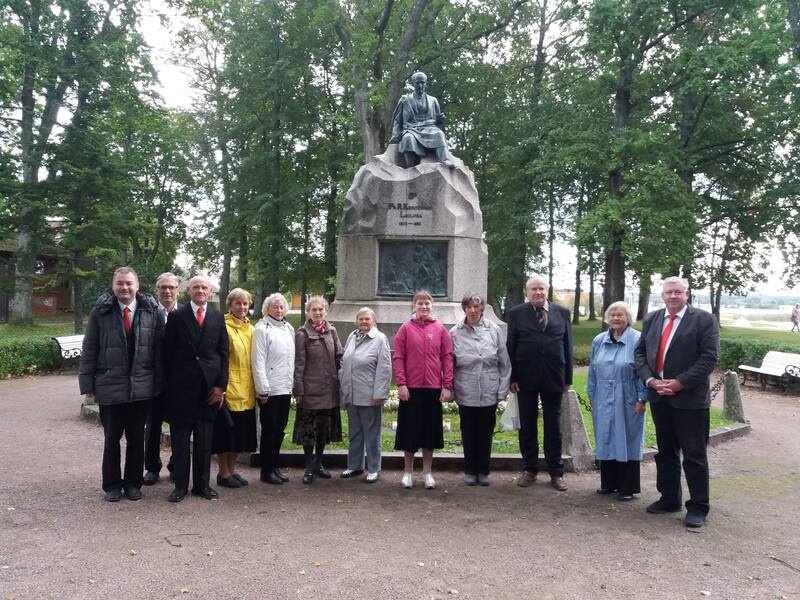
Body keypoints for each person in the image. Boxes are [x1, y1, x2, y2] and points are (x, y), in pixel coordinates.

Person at [635, 276, 720, 529]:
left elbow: (709, 358)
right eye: (668, 292)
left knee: (694, 454)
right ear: (662, 295)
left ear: (687, 294)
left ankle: (698, 507)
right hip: (659, 396)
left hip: (690, 399)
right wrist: (650, 380)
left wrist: (680, 383)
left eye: (677, 292)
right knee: (666, 452)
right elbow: (640, 353)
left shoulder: (704, 320)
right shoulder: (652, 319)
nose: (672, 296)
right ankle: (669, 498)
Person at [79, 267, 163, 502]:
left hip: (142, 387)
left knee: (137, 439)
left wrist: (159, 382)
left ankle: (133, 484)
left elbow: (159, 351)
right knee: (111, 439)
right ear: (113, 285)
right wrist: (87, 382)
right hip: (110, 385)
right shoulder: (101, 311)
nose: (124, 288)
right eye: (120, 283)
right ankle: (112, 485)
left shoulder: (152, 311)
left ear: (137, 286)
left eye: (128, 283)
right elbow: (90, 347)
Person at [162, 275, 229, 503]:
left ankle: (202, 485)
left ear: (210, 292)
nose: (200, 291)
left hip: (209, 390)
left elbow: (223, 354)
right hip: (182, 389)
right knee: (180, 441)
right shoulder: (176, 317)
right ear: (188, 291)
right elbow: (167, 354)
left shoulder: (217, 318)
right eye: (196, 287)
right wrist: (169, 387)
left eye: (204, 287)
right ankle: (180, 486)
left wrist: (220, 386)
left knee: (204, 441)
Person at [506, 275, 573, 491]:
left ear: (547, 290)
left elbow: (567, 346)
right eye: (534, 289)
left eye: (541, 289)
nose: (538, 292)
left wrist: (568, 378)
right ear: (528, 292)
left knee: (553, 426)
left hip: (554, 377)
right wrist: (512, 377)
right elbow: (511, 346)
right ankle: (529, 469)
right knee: (527, 425)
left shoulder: (562, 313)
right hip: (525, 378)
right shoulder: (517, 313)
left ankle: (556, 472)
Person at [393, 290, 453, 489]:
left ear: (432, 305)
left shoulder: (440, 329)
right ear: (414, 306)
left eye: (427, 303)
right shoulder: (405, 329)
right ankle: (408, 473)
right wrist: (401, 383)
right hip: (411, 389)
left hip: (433, 389)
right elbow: (399, 357)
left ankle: (427, 473)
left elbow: (447, 357)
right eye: (420, 303)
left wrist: (447, 386)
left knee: (430, 433)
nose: (424, 307)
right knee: (410, 433)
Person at [587, 301, 647, 501]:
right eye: (612, 315)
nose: (616, 318)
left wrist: (642, 397)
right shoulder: (599, 340)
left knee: (627, 437)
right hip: (603, 395)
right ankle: (608, 484)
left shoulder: (637, 339)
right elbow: (593, 370)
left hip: (627, 393)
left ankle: (627, 487)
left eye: (620, 315)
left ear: (628, 317)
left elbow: (642, 372)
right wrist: (591, 392)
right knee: (605, 436)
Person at [450, 294, 511, 486]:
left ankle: (483, 470)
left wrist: (502, 389)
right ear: (464, 309)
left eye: (477, 306)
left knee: (485, 431)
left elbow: (504, 362)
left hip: (489, 388)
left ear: (482, 308)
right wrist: (450, 389)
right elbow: (449, 363)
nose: (473, 310)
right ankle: (470, 469)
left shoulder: (493, 330)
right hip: (465, 388)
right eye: (469, 307)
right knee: (468, 431)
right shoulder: (455, 332)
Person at [292, 295, 343, 484]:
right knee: (308, 433)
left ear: (325, 311)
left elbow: (339, 355)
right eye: (314, 310)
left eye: (320, 309)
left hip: (329, 390)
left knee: (323, 431)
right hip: (310, 391)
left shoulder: (332, 331)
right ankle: (308, 466)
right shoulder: (302, 334)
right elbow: (299, 363)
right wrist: (298, 390)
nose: (317, 313)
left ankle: (318, 463)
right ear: (308, 312)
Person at [339, 307, 392, 483]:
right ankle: (355, 465)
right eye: (360, 319)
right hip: (352, 394)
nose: (363, 322)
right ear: (356, 321)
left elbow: (384, 370)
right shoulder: (352, 337)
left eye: (367, 319)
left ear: (373, 321)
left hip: (370, 395)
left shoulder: (380, 339)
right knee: (354, 432)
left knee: (371, 433)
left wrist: (380, 394)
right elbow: (344, 362)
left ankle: (374, 468)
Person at [211, 288, 257, 488]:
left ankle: (233, 470)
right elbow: (220, 358)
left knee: (239, 433)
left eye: (245, 303)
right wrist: (220, 386)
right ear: (230, 305)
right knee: (226, 433)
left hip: (247, 388)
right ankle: (223, 472)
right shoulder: (223, 326)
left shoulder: (251, 328)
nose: (242, 307)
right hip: (229, 387)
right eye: (238, 303)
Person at [251, 293, 295, 485]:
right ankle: (266, 469)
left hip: (285, 387)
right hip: (269, 389)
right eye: (275, 307)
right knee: (269, 430)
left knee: (279, 429)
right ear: (267, 309)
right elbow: (258, 361)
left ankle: (274, 466)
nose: (279, 310)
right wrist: (263, 389)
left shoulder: (288, 328)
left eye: (281, 307)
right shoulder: (261, 329)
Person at [143, 272, 181, 485]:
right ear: (156, 290)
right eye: (163, 287)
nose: (167, 291)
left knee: (179, 426)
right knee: (152, 427)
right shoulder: (147, 312)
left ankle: (176, 466)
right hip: (152, 380)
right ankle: (152, 467)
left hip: (178, 383)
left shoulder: (186, 313)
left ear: (178, 290)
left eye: (171, 287)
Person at [388, 72, 455, 168]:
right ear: (413, 84)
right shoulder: (405, 100)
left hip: (429, 128)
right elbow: (397, 121)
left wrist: (440, 120)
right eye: (417, 83)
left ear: (426, 83)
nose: (420, 85)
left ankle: (445, 160)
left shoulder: (433, 100)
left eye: (422, 83)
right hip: (411, 129)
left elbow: (438, 121)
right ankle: (410, 167)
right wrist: (395, 135)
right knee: (408, 138)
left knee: (439, 134)